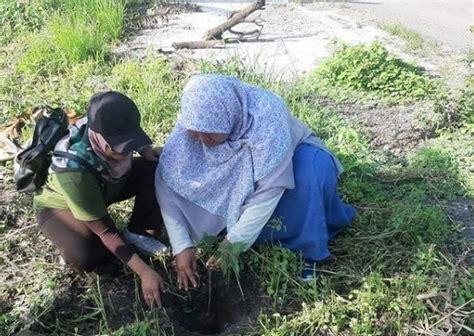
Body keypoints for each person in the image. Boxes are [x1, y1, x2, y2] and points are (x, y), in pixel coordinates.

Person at [155, 74, 356, 288]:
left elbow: (267, 193)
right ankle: (238, 229)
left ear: (227, 117)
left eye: (209, 135)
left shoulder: (268, 120)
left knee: (312, 176)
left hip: (290, 157)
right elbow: (168, 183)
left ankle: (306, 248)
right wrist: (182, 246)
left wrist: (233, 244)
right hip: (244, 170)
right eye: (197, 135)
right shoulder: (193, 125)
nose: (202, 141)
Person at [34, 91, 167, 308]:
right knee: (86, 254)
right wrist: (145, 273)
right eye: (120, 147)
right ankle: (70, 241)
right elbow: (107, 232)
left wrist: (145, 149)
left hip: (105, 187)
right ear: (99, 137)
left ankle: (138, 233)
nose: (126, 152)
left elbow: (131, 137)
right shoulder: (74, 172)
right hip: (62, 205)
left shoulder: (106, 121)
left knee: (157, 170)